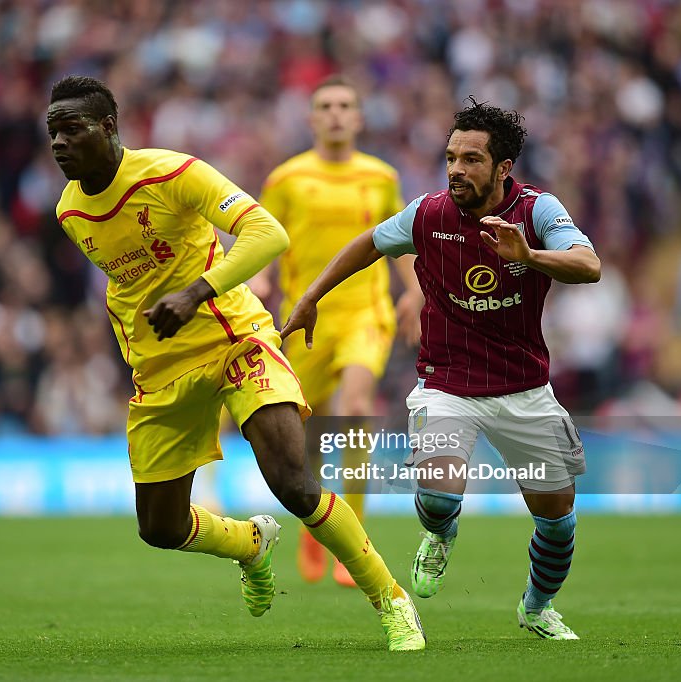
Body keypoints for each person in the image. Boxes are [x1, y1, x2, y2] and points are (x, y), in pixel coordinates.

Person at [46, 75, 425, 651]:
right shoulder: (70, 212)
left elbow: (266, 233)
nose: (59, 143)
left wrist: (198, 291)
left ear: (109, 127)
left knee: (292, 482)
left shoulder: (173, 172)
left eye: (72, 129)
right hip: (161, 368)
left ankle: (391, 599)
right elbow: (127, 284)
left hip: (235, 339)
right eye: (53, 132)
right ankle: (250, 543)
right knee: (161, 529)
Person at [283, 98, 600, 640]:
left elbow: (588, 265)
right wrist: (313, 295)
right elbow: (367, 244)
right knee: (437, 494)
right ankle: (441, 532)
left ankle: (537, 606)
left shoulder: (538, 212)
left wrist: (530, 258)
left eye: (472, 159)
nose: (456, 169)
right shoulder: (429, 214)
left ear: (503, 168)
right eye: (451, 157)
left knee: (557, 516)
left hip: (524, 388)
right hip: (447, 384)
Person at [255, 75, 424, 587]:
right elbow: (263, 235)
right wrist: (259, 278)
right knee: (304, 435)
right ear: (311, 119)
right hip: (305, 317)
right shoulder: (287, 178)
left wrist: (414, 290)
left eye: (344, 105)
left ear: (358, 117)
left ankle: (356, 537)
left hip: (364, 313)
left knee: (354, 407)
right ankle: (316, 522)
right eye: (325, 105)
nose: (335, 113)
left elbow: (394, 240)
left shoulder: (380, 176)